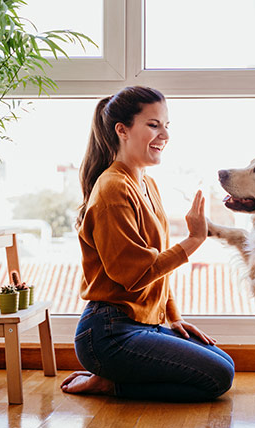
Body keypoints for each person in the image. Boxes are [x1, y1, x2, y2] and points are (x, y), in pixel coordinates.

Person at [61, 86, 235, 401]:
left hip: (143, 323)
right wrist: (195, 239)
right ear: (122, 130)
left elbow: (156, 268)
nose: (164, 134)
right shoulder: (113, 189)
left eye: (167, 125)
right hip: (108, 332)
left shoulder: (146, 183)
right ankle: (110, 383)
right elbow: (135, 274)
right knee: (218, 377)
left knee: (225, 363)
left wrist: (173, 316)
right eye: (154, 125)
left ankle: (114, 377)